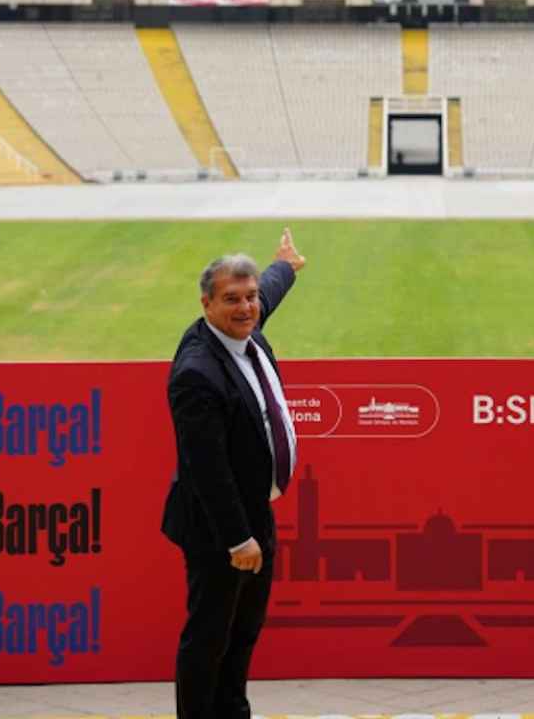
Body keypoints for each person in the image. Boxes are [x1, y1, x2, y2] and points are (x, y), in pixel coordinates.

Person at [161, 228, 307, 719]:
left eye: (249, 299)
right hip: (221, 529)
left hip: (254, 514)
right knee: (209, 637)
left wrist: (284, 265)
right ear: (206, 305)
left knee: (243, 633)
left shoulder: (246, 328)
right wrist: (239, 539)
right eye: (232, 301)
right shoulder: (197, 374)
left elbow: (265, 291)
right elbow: (208, 471)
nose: (246, 308)